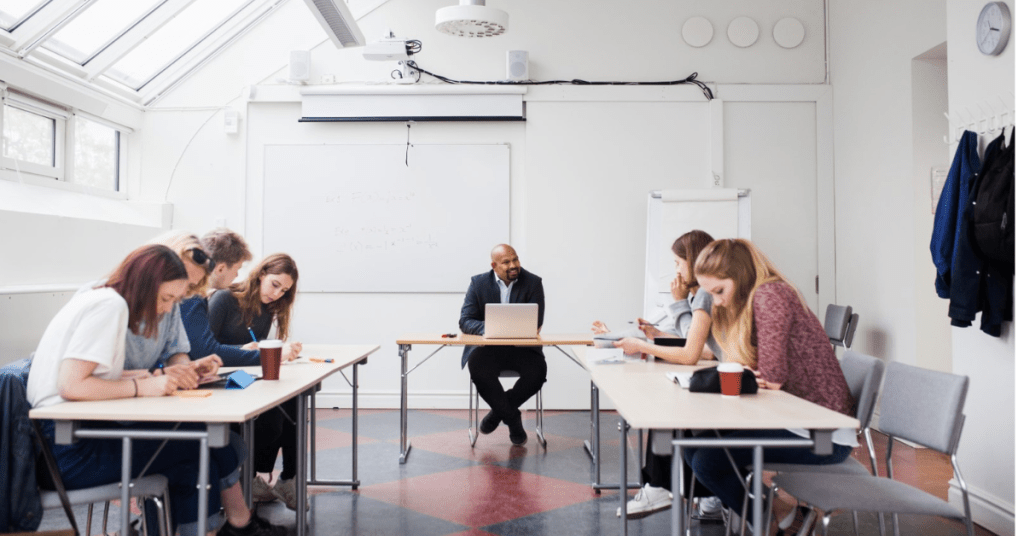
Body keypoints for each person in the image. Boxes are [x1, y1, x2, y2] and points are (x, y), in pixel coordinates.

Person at [26, 245, 285, 536]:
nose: (165, 309)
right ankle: (235, 525)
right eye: (165, 299)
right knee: (200, 450)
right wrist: (141, 386)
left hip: (69, 436)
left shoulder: (104, 297)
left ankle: (232, 525)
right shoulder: (110, 306)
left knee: (206, 446)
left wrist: (160, 373)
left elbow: (92, 374)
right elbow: (71, 385)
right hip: (66, 452)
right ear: (145, 283)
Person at [687, 238, 857, 529]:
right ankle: (779, 513)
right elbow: (757, 372)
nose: (717, 301)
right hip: (795, 418)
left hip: (824, 433)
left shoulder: (771, 295)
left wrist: (756, 374)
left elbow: (773, 377)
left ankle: (768, 522)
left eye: (719, 291)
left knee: (707, 459)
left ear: (739, 278)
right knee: (693, 445)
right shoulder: (759, 297)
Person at [601, 230, 725, 519]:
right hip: (723, 372)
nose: (676, 269)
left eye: (678, 262)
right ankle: (704, 493)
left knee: (666, 407)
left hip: (731, 384)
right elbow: (703, 348)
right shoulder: (703, 293)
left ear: (693, 262)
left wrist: (645, 343)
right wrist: (658, 335)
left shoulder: (706, 294)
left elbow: (692, 352)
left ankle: (659, 487)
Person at [208, 253, 304, 510]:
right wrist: (246, 349)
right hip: (218, 377)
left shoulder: (266, 309)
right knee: (272, 420)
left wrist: (279, 350)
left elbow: (254, 353)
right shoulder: (224, 299)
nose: (277, 294)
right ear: (261, 274)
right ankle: (247, 479)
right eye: (275, 284)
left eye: (284, 291)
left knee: (294, 401)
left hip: (243, 376)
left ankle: (289, 478)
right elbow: (205, 349)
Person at [459, 244, 545, 446]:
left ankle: (497, 414)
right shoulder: (478, 283)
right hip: (488, 349)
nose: (513, 265)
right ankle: (513, 419)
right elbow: (465, 321)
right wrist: (491, 327)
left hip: (522, 348)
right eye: (506, 262)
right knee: (479, 370)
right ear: (494, 265)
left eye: (515, 259)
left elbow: (537, 322)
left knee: (538, 372)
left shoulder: (533, 282)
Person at [181, 229, 261, 367]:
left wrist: (240, 349)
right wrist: (269, 356)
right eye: (237, 269)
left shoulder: (199, 295)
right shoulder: (193, 296)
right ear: (221, 268)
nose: (236, 275)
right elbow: (205, 351)